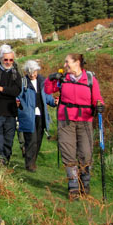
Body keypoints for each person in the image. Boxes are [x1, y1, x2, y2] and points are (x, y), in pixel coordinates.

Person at [45, 53, 105, 200]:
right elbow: (48, 90)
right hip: (66, 120)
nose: (65, 65)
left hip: (85, 120)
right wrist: (51, 78)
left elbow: (97, 98)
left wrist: (100, 106)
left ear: (77, 62)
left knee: (86, 153)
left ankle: (85, 185)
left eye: (67, 62)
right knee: (68, 152)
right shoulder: (63, 79)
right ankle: (73, 188)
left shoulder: (90, 79)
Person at [16, 60, 56, 172]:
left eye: (34, 71)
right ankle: (29, 164)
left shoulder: (43, 82)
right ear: (26, 72)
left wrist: (54, 102)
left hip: (41, 115)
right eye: (29, 72)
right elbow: (18, 96)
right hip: (28, 116)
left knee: (38, 140)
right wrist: (18, 103)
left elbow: (48, 97)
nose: (32, 74)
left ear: (37, 70)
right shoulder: (23, 82)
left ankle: (33, 161)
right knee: (31, 140)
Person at [0, 44, 22, 166]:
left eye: (10, 60)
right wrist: (7, 90)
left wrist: (0, 89)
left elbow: (17, 91)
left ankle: (5, 161)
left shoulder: (16, 74)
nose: (8, 62)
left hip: (10, 112)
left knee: (8, 140)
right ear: (0, 59)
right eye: (5, 59)